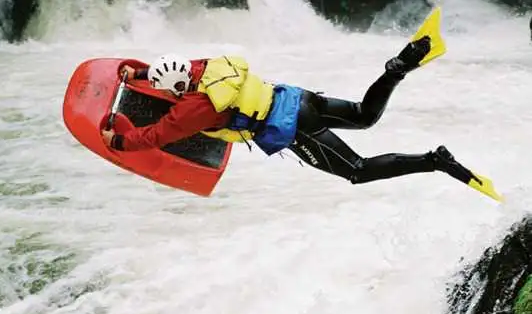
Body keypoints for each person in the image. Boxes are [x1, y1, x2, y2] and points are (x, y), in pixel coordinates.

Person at [101, 36, 479, 187]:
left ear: (179, 85)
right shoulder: (205, 66)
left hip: (295, 127)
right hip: (299, 98)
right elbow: (171, 72)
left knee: (357, 172)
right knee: (365, 114)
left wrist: (117, 139)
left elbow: (157, 135)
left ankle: (435, 161)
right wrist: (141, 73)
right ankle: (397, 69)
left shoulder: (196, 108)